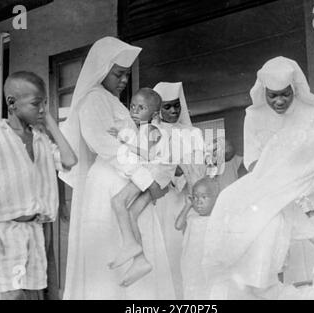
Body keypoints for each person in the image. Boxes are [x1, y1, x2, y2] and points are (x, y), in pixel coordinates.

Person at [60, 37, 175, 299]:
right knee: (110, 245)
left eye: (126, 75)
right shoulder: (93, 99)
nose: (124, 81)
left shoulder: (113, 101)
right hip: (110, 179)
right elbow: (104, 144)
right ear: (102, 70)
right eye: (118, 74)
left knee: (133, 230)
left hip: (126, 178)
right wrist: (144, 177)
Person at [203, 127, 314, 300]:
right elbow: (217, 263)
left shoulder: (285, 204)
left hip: (272, 293)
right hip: (234, 294)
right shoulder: (234, 197)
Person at [0, 71, 77, 300]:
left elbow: (70, 160)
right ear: (12, 103)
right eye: (35, 104)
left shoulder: (40, 139)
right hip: (5, 231)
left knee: (32, 293)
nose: (41, 109)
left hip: (35, 230)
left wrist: (48, 119)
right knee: (12, 294)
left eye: (44, 104)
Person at [242, 56, 314, 284]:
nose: (279, 101)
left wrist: (296, 188)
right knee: (286, 256)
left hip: (313, 194)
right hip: (275, 196)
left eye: (285, 94)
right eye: (272, 95)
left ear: (295, 89)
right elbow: (252, 160)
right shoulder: (253, 116)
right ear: (264, 92)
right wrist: (275, 186)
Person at [107, 88, 177, 287]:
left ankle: (131, 246)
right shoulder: (145, 129)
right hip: (158, 180)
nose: (134, 111)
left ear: (154, 114)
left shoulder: (152, 130)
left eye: (141, 108)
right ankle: (140, 260)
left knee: (118, 201)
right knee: (130, 214)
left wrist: (123, 140)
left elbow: (147, 154)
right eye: (133, 106)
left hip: (153, 175)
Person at [153, 82, 206, 299]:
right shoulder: (151, 133)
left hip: (188, 199)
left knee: (189, 254)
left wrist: (182, 170)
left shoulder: (193, 133)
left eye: (176, 106)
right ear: (158, 109)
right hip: (162, 202)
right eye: (168, 107)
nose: (174, 111)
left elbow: (199, 166)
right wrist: (174, 169)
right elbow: (151, 167)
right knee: (167, 253)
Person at [175, 177, 220, 300]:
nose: (198, 202)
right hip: (190, 267)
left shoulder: (218, 220)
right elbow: (178, 225)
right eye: (195, 197)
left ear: (216, 199)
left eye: (204, 197)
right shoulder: (191, 219)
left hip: (209, 267)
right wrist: (187, 206)